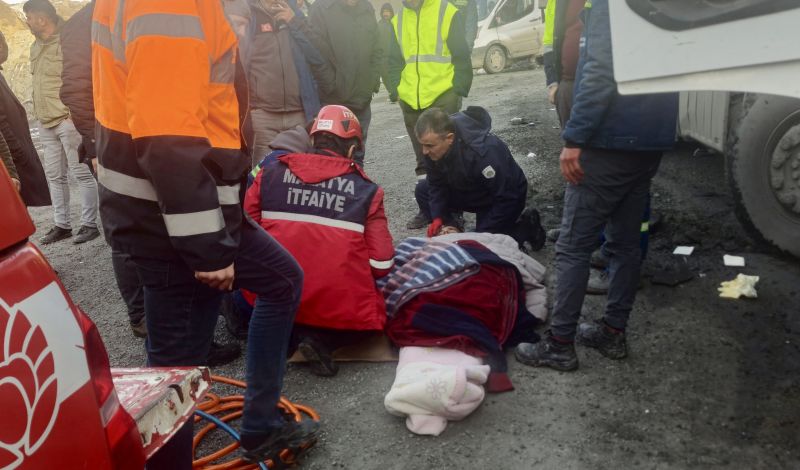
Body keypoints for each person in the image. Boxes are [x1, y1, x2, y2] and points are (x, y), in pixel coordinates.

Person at [92, 0, 318, 467]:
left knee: (281, 280)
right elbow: (167, 138)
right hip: (172, 222)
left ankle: (260, 427)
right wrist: (208, 250)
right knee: (175, 382)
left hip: (193, 210)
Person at [514, 0, 678, 371]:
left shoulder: (610, 5)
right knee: (624, 245)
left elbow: (600, 72)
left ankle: (558, 346)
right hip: (650, 139)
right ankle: (613, 332)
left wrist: (575, 138)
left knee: (572, 248)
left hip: (609, 142)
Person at [243, 105, 394, 376]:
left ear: (312, 141)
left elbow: (245, 231)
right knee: (371, 315)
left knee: (255, 301)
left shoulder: (269, 174)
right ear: (351, 150)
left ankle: (288, 333)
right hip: (337, 308)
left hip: (273, 297)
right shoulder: (368, 191)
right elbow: (382, 263)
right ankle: (319, 339)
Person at [385, 0, 473, 229]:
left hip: (442, 95)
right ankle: (430, 210)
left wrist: (458, 89)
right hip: (411, 99)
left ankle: (454, 211)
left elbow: (461, 54)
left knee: (449, 156)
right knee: (423, 158)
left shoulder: (446, 11)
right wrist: (396, 89)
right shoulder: (398, 19)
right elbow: (393, 61)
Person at [411, 106, 544, 249]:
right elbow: (436, 184)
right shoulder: (434, 146)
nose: (424, 151)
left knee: (485, 245)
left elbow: (508, 198)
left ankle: (527, 227)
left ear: (449, 138)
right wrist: (439, 217)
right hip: (470, 188)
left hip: (501, 197)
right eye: (422, 145)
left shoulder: (484, 151)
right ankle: (454, 229)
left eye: (429, 146)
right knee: (423, 190)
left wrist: (480, 234)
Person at [23, 0, 99, 245]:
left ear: (42, 19)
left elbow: (81, 77)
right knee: (55, 177)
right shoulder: (36, 47)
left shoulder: (69, 40)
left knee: (82, 173)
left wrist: (73, 112)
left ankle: (89, 225)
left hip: (68, 120)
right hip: (46, 122)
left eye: (30, 17)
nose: (28, 22)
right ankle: (62, 225)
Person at [243, 0, 336, 166]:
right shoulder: (250, 14)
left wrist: (294, 22)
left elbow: (318, 55)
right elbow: (240, 62)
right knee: (263, 178)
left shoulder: (293, 12)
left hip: (299, 115)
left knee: (300, 176)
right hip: (263, 116)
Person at [307, 0, 382, 145]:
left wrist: (372, 82)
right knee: (334, 158)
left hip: (363, 100)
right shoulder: (322, 8)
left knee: (357, 155)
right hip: (333, 101)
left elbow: (377, 49)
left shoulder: (366, 7)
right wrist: (331, 86)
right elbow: (315, 53)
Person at [0, 30, 50, 208]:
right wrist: (16, 151)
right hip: (10, 154)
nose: (4, 48)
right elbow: (1, 121)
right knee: (15, 204)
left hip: (12, 151)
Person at [377, 3, 397, 102]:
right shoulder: (378, 25)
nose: (386, 14)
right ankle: (392, 93)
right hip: (383, 57)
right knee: (385, 77)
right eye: (384, 12)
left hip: (394, 56)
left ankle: (395, 94)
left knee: (394, 75)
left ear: (391, 13)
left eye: (387, 11)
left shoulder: (395, 23)